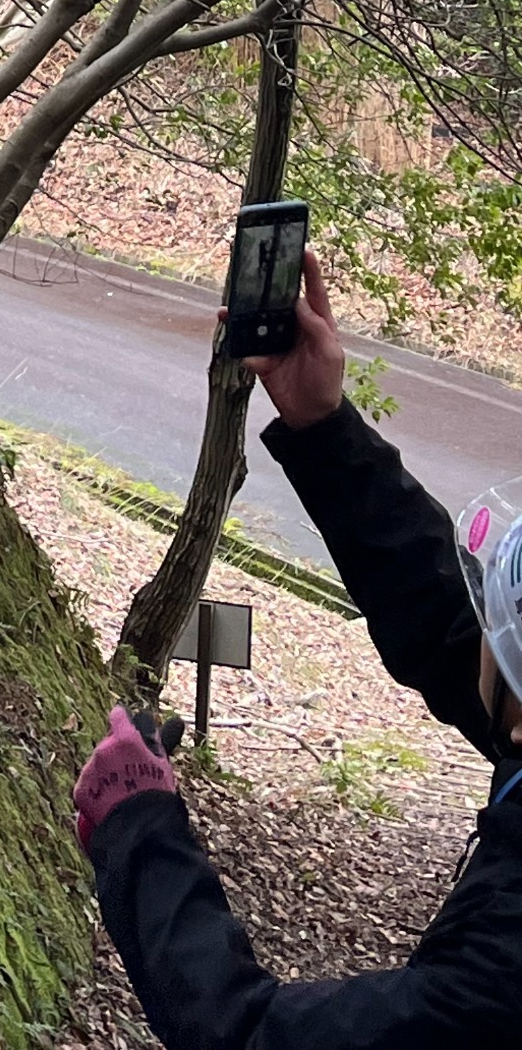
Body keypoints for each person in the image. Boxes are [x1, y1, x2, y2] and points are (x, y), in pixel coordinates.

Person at [73, 248, 522, 1044]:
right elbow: (446, 626)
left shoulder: (497, 976)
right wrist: (322, 425)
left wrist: (139, 832)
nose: (479, 624)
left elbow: (249, 1034)